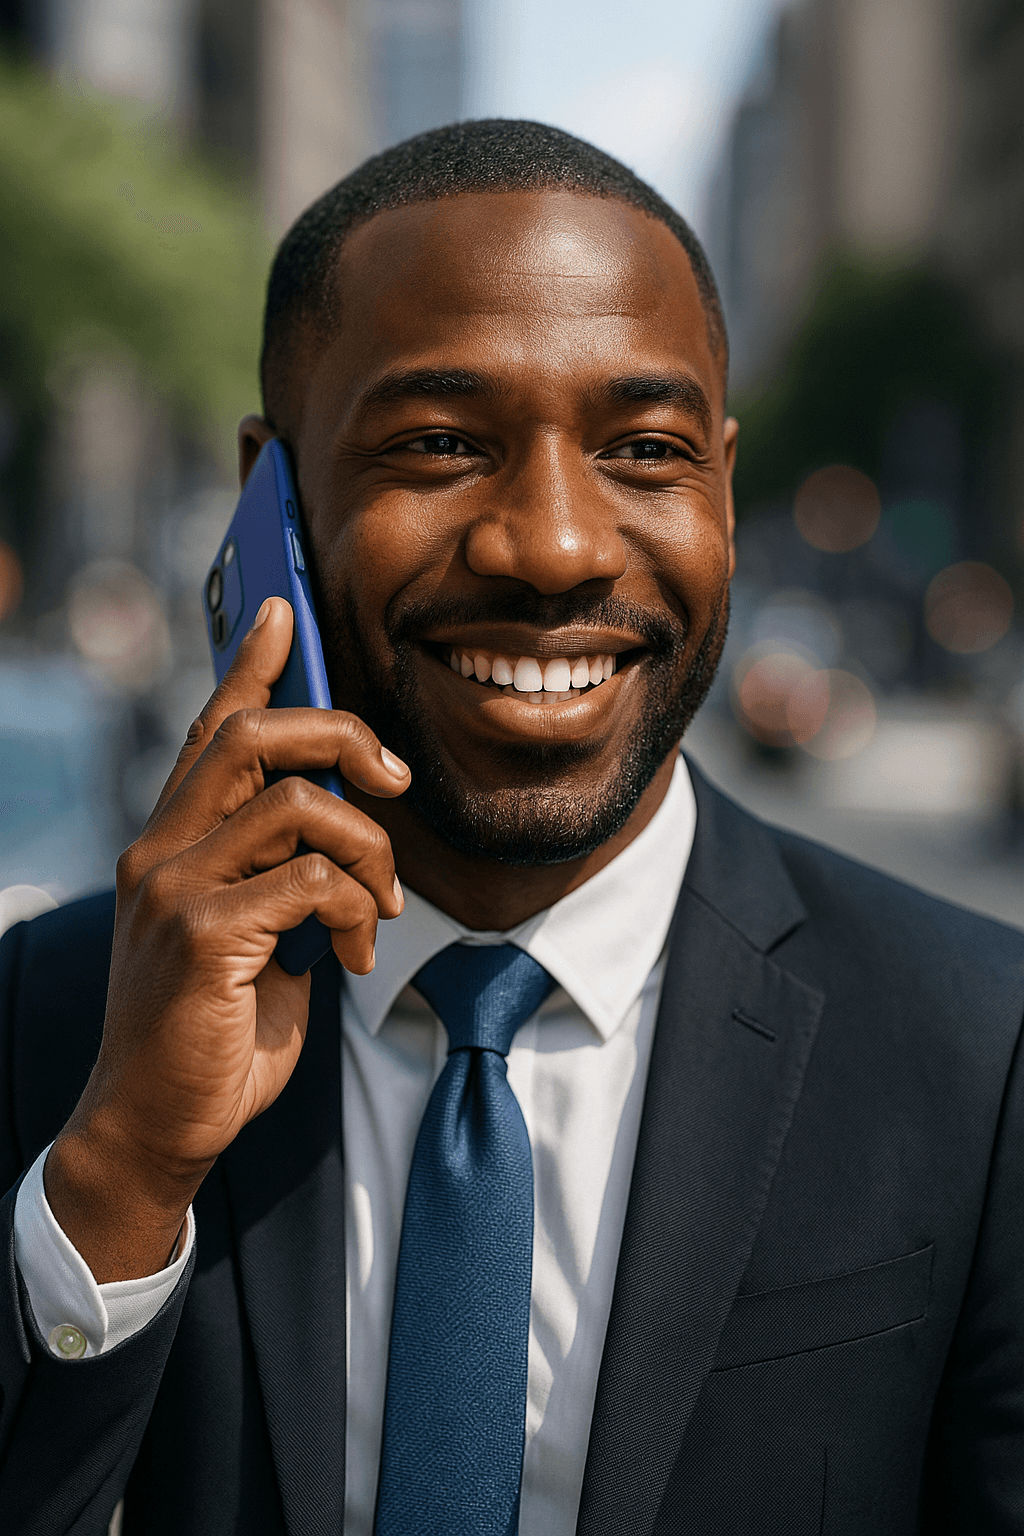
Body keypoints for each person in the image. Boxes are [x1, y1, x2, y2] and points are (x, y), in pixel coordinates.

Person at [1, 120, 1023, 1536]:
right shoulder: (51, 1026)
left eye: (645, 451)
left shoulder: (983, 1053)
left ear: (724, 489)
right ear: (270, 496)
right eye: (439, 442)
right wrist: (117, 1182)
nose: (552, 546)